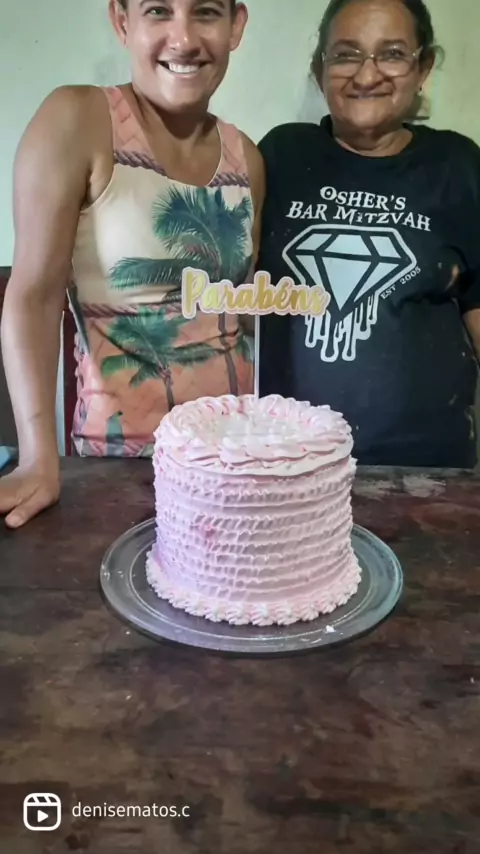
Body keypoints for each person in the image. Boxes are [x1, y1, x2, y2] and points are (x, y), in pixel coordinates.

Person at [0, 0, 264, 528]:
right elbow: (34, 296)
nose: (183, 39)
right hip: (118, 471)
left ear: (236, 25)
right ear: (123, 22)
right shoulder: (78, 119)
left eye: (206, 12)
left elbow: (241, 319)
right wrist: (37, 459)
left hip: (237, 465)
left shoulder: (248, 157)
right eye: (159, 11)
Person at [258, 0, 480, 468]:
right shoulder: (281, 154)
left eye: (392, 54)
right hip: (286, 461)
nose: (366, 75)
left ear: (423, 67)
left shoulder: (458, 165)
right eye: (346, 54)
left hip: (423, 470)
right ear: (319, 68)